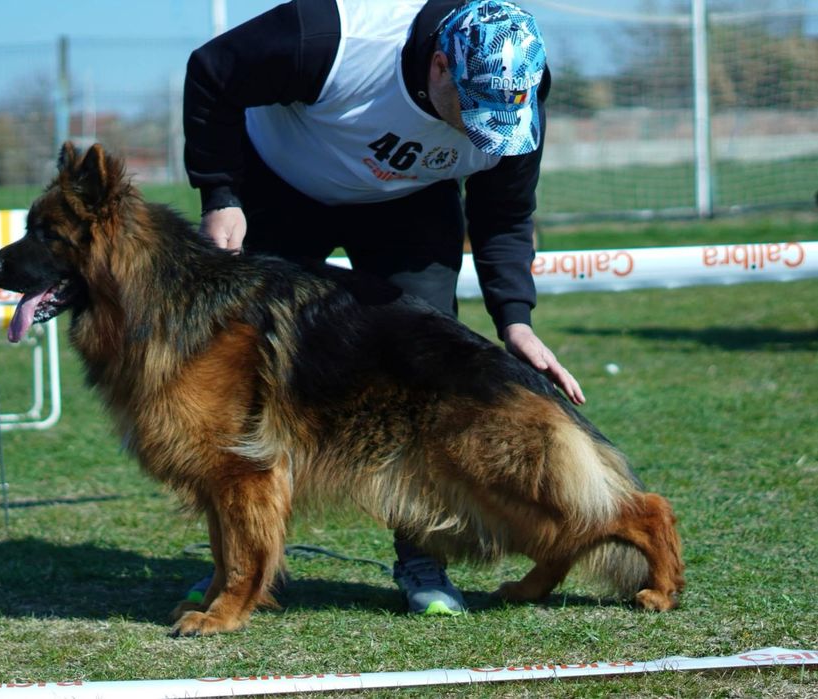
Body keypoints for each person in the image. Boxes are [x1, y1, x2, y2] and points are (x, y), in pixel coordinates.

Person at [181, 0, 585, 616]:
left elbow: (503, 215)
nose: (485, 130)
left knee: (425, 382)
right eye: (473, 113)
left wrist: (516, 320)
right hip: (281, 188)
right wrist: (221, 193)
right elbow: (212, 70)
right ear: (441, 67)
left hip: (409, 206)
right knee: (249, 385)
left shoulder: (519, 86)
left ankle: (423, 560)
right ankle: (238, 568)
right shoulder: (328, 37)